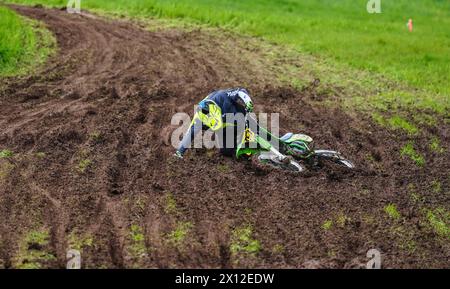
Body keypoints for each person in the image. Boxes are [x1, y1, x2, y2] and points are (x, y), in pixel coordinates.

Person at [174, 88, 254, 158]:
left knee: (242, 119)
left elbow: (239, 91)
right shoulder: (199, 118)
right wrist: (180, 151)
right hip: (225, 128)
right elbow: (190, 133)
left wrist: (248, 102)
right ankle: (239, 147)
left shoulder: (221, 96)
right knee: (226, 152)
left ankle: (251, 135)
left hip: (238, 116)